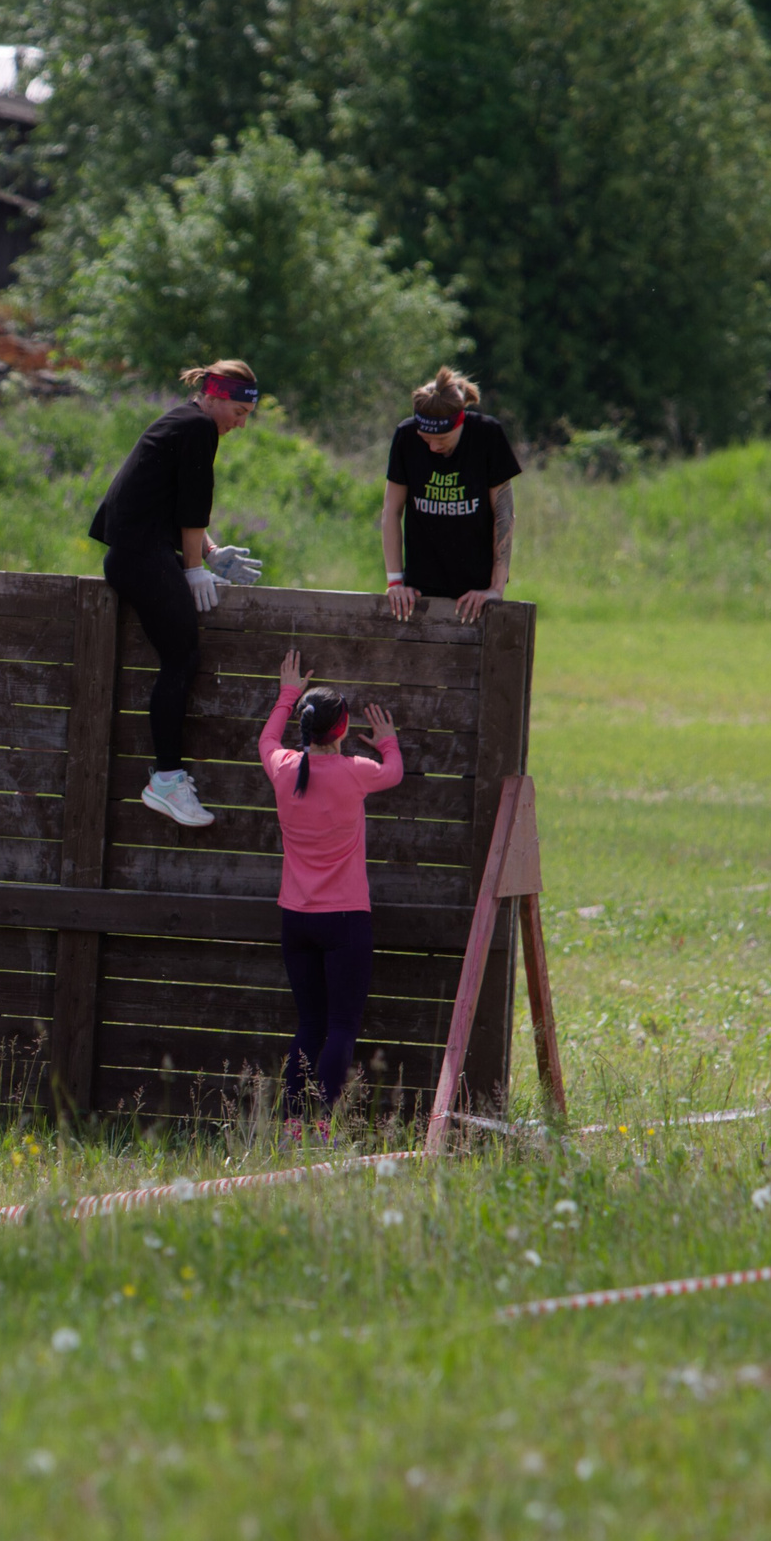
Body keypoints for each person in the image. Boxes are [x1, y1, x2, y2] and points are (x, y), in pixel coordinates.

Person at [90, 363, 266, 830]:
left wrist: (208, 553)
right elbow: (192, 505)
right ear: (214, 396)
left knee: (181, 657)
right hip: (142, 557)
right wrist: (192, 570)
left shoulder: (181, 421)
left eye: (247, 414)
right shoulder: (199, 428)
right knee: (182, 658)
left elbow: (166, 500)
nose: (240, 422)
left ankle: (167, 778)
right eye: (239, 410)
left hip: (138, 554)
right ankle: (166, 779)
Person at [259, 647, 403, 1133]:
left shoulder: (281, 767)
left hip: (295, 919)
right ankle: (322, 1128)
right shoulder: (355, 771)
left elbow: (267, 739)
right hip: (345, 922)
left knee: (310, 1025)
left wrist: (287, 694)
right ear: (342, 731)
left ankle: (291, 1125)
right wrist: (388, 741)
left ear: (306, 727)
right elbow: (394, 773)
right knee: (341, 1027)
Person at [382, 366, 520, 624]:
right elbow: (391, 510)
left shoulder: (487, 435)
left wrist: (495, 588)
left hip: (474, 591)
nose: (433, 447)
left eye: (442, 439)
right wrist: (395, 582)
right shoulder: (406, 437)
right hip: (420, 590)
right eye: (426, 439)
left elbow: (503, 512)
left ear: (460, 422)